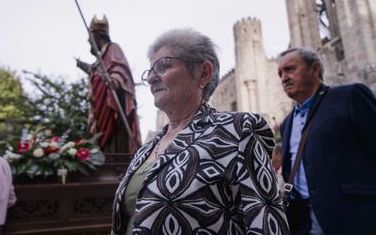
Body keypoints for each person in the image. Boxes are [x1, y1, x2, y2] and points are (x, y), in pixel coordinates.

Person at [111, 28, 289, 234]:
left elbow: (267, 221)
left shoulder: (237, 131)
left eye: (163, 66)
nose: (151, 78)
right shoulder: (145, 149)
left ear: (203, 74)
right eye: (149, 71)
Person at [277, 47, 376, 235]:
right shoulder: (286, 123)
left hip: (359, 219)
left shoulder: (349, 96)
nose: (284, 77)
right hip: (308, 223)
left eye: (290, 69)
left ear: (315, 69)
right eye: (280, 73)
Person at [76, 15, 140, 154]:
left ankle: (118, 160)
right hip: (101, 106)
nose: (90, 45)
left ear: (98, 37)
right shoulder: (100, 58)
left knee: (114, 135)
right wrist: (85, 67)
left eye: (90, 40)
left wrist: (115, 81)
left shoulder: (113, 48)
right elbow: (97, 73)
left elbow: (119, 69)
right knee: (102, 136)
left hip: (114, 105)